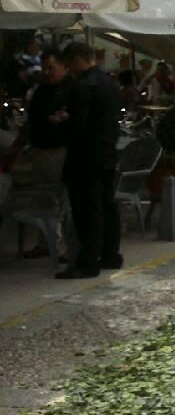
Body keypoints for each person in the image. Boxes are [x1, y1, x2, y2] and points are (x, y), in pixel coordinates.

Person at [56, 43, 123, 279]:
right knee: (106, 204)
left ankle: (88, 262)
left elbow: (78, 125)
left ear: (75, 60)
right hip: (107, 152)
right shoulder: (110, 83)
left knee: (87, 209)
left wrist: (62, 122)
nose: (69, 70)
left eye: (68, 64)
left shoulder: (83, 86)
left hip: (85, 156)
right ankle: (110, 254)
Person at [1, 49, 73, 258]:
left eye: (52, 68)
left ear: (64, 66)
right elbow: (30, 123)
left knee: (59, 200)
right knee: (44, 200)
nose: (47, 72)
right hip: (40, 151)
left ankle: (60, 247)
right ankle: (45, 242)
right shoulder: (42, 90)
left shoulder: (72, 90)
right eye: (45, 68)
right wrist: (16, 147)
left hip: (59, 152)